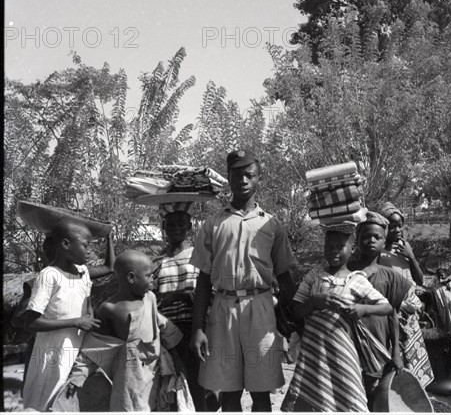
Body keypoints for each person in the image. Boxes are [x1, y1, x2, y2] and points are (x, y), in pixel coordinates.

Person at [189, 149, 297, 412]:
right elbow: (203, 279)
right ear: (228, 178)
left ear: (259, 178)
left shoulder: (271, 225)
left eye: (250, 175)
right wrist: (197, 327)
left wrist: (296, 322)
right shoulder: (213, 224)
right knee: (229, 393)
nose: (243, 181)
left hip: (260, 308)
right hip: (223, 308)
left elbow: (285, 277)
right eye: (237, 175)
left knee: (261, 392)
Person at [282, 223, 393, 412]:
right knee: (312, 396)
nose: (333, 251)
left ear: (352, 249)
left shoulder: (356, 280)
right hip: (313, 351)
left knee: (349, 396)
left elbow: (387, 307)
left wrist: (362, 309)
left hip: (343, 352)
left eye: (340, 247)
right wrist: (315, 301)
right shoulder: (314, 276)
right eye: (329, 247)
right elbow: (296, 312)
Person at [63, 250, 192, 411]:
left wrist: (177, 362)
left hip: (154, 378)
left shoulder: (150, 299)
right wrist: (79, 375)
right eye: (149, 276)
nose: (153, 281)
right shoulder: (109, 309)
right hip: (128, 382)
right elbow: (93, 347)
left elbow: (163, 327)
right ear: (131, 278)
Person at [22, 219, 102, 411]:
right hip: (51, 356)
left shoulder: (82, 273)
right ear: (66, 244)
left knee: (68, 404)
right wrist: (75, 322)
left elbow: (87, 304)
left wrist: (88, 316)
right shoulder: (49, 276)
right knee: (44, 404)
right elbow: (30, 323)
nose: (89, 251)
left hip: (76, 353)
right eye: (85, 245)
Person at [14, 232, 114, 382]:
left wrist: (109, 238)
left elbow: (109, 267)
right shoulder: (39, 282)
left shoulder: (80, 275)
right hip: (47, 346)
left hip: (72, 343)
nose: (87, 252)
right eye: (82, 247)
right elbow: (18, 320)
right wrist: (66, 320)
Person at [153, 203, 216, 411]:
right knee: (170, 381)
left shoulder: (199, 256)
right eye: (170, 225)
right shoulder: (158, 262)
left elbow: (209, 291)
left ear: (189, 226)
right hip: (167, 329)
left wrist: (179, 295)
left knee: (196, 382)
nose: (175, 228)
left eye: (181, 224)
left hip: (194, 326)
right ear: (164, 226)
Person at [348, 211, 414, 408]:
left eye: (377, 237)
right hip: (349, 345)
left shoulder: (390, 277)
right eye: (366, 236)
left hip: (378, 345)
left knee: (375, 398)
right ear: (356, 240)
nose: (371, 240)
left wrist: (396, 352)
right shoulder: (345, 271)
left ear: (384, 241)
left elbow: (393, 315)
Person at [378, 202, 435, 388]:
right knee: (394, 356)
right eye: (392, 226)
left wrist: (411, 256)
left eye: (399, 225)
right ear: (383, 228)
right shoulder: (378, 252)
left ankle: (413, 395)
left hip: (409, 313)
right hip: (392, 311)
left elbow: (420, 281)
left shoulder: (405, 248)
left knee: (412, 358)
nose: (397, 230)